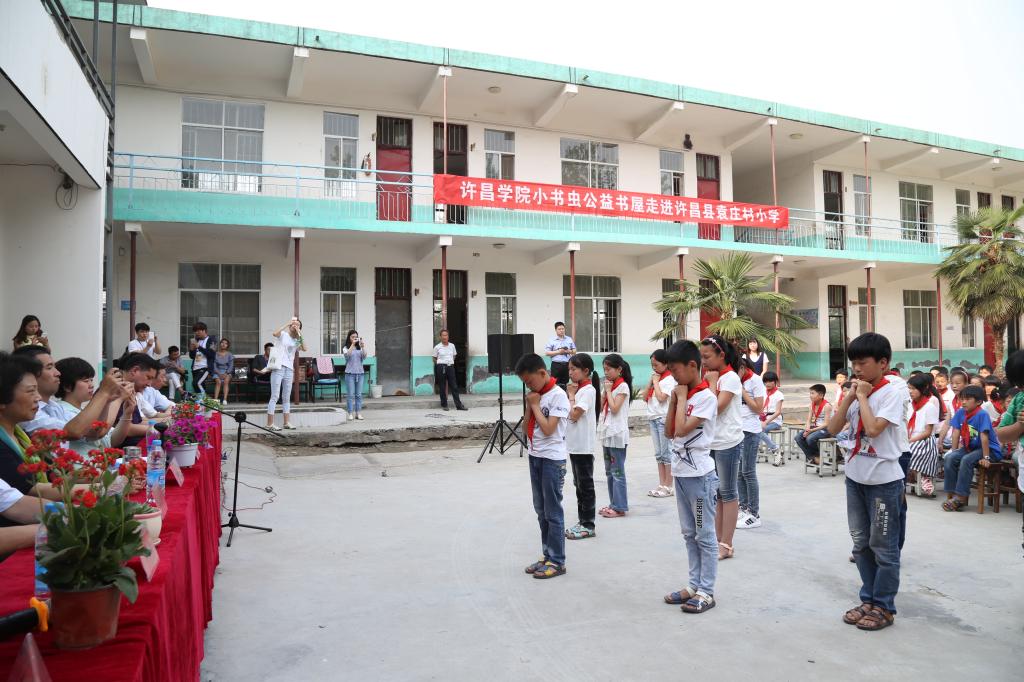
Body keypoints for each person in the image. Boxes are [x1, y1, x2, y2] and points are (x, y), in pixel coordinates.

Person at [826, 332, 905, 632]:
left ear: (883, 363)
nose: (856, 369)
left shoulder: (891, 393)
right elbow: (833, 428)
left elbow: (873, 430)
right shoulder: (857, 392)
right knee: (860, 544)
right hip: (855, 478)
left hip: (883, 482)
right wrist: (850, 396)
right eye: (853, 364)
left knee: (883, 547)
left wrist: (861, 397)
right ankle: (868, 600)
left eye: (863, 363)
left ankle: (884, 606)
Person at [662, 339, 719, 614]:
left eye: (675, 370)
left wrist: (682, 398)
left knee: (704, 534)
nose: (673, 376)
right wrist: (674, 401)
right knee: (689, 534)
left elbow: (682, 430)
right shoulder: (683, 395)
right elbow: (669, 432)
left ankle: (706, 590)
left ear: (692, 366)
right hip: (682, 476)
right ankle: (693, 585)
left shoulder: (706, 398)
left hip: (700, 478)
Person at [516, 352, 569, 580]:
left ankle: (557, 561)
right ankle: (547, 554)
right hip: (535, 456)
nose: (528, 386)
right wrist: (530, 405)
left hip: (552, 460)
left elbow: (548, 429)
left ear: (542, 373)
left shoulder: (558, 396)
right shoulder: (536, 396)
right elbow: (525, 428)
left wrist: (535, 405)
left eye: (530, 381)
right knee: (540, 509)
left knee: (552, 511)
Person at [12, 345, 124, 440]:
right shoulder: (26, 412)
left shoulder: (55, 407)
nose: (58, 373)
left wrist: (106, 399)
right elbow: (73, 431)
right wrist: (103, 393)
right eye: (49, 368)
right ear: (29, 375)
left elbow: (93, 432)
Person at [700, 334, 743, 560]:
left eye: (707, 356)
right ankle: (718, 540)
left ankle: (727, 544)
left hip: (728, 441)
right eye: (702, 357)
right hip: (713, 441)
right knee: (716, 493)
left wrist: (710, 383)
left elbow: (714, 408)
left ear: (721, 355)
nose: (703, 361)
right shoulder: (713, 377)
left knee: (728, 492)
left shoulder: (730, 378)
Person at [54, 357, 134, 454]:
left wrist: (127, 414)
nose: (91, 385)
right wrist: (115, 398)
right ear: (67, 386)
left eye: (91, 380)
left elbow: (112, 440)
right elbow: (99, 432)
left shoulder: (84, 410)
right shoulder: (61, 410)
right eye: (86, 381)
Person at [942, 385, 1002, 511]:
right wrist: (954, 451)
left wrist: (986, 457)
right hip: (971, 448)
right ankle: (953, 493)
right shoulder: (960, 412)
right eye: (962, 399)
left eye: (968, 399)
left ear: (978, 401)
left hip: (989, 449)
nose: (963, 402)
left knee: (966, 460)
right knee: (950, 458)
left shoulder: (982, 414)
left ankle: (961, 498)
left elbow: (984, 437)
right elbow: (955, 433)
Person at [565, 353, 599, 541]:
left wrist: (570, 396)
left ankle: (588, 524)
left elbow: (575, 414)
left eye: (574, 369)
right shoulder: (580, 390)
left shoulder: (588, 390)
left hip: (583, 446)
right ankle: (582, 520)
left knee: (585, 486)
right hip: (575, 445)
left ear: (586, 371)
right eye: (569, 369)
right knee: (579, 485)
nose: (570, 372)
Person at [598, 353, 632, 518]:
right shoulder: (610, 386)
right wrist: (605, 392)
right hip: (608, 432)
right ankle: (613, 503)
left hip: (617, 433)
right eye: (604, 369)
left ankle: (620, 507)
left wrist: (608, 391)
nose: (606, 372)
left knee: (617, 472)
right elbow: (601, 407)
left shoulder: (622, 386)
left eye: (609, 369)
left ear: (619, 369)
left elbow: (615, 408)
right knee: (609, 471)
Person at [737, 357, 767, 530]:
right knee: (739, 473)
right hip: (737, 431)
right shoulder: (734, 380)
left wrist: (742, 392)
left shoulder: (755, 380)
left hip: (750, 431)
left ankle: (754, 513)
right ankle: (743, 507)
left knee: (748, 472)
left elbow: (758, 408)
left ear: (742, 367)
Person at [645, 349, 676, 498]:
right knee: (659, 454)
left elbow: (662, 398)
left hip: (663, 418)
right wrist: (651, 382)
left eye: (656, 365)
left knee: (666, 453)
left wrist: (656, 382)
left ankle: (668, 485)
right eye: (652, 365)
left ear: (665, 364)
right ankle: (661, 483)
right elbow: (645, 396)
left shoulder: (669, 379)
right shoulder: (657, 378)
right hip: (653, 417)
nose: (654, 368)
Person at [267, 318, 306, 431]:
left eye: (298, 325)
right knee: (275, 396)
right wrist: (288, 323)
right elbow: (275, 333)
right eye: (294, 324)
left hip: (289, 369)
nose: (295, 325)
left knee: (286, 396)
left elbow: (304, 348)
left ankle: (286, 422)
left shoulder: (296, 340)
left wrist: (300, 333)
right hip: (278, 367)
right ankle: (270, 424)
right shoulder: (283, 334)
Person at [906, 373, 941, 497]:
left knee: (909, 451)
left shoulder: (929, 406)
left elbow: (927, 432)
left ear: (922, 389)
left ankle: (921, 476)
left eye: (913, 388)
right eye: (909, 388)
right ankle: (912, 476)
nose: (910, 391)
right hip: (910, 437)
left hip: (925, 440)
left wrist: (910, 440)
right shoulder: (909, 405)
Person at [117, 353, 161, 447]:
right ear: (135, 370)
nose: (149, 384)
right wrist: (161, 430)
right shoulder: (116, 390)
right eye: (148, 377)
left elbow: (138, 422)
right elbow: (128, 429)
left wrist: (166, 423)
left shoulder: (130, 390)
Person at [432, 329, 466, 412]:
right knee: (442, 386)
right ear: (440, 337)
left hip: (450, 367)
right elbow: (434, 358)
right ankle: (444, 405)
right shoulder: (437, 347)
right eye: (443, 335)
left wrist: (449, 362)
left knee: (454, 386)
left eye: (446, 335)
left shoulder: (452, 346)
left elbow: (454, 356)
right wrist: (440, 364)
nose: (444, 337)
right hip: (441, 367)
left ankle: (459, 405)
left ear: (448, 336)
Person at [343, 330, 369, 421]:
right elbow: (347, 356)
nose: (354, 338)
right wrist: (352, 345)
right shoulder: (346, 347)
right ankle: (350, 413)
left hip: (360, 373)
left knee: (358, 395)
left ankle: (358, 413)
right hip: (350, 374)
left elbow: (364, 356)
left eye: (356, 337)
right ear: (349, 338)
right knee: (350, 395)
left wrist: (363, 347)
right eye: (352, 337)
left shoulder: (359, 347)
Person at [760, 371, 785, 466]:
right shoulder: (763, 392)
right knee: (752, 428)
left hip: (775, 421)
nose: (768, 384)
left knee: (759, 430)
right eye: (766, 382)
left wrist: (766, 422)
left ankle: (775, 449)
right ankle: (773, 449)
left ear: (775, 382)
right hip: (763, 418)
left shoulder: (779, 394)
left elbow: (778, 412)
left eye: (770, 381)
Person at [543, 322, 576, 388]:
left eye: (563, 329)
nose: (561, 330)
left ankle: (564, 393)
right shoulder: (551, 340)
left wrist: (568, 351)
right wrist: (559, 352)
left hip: (567, 364)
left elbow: (574, 351)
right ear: (556, 330)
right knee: (555, 383)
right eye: (559, 329)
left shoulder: (569, 339)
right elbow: (547, 353)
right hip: (556, 365)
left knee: (565, 382)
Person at [188, 322, 217, 396]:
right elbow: (192, 356)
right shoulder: (196, 340)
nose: (196, 333)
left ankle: (204, 399)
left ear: (204, 330)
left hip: (205, 367)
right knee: (200, 385)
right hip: (195, 367)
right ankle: (202, 401)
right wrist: (191, 350)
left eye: (198, 331)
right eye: (195, 331)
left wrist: (199, 347)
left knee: (196, 383)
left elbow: (212, 354)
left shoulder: (212, 340)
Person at [212, 338, 235, 405]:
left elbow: (231, 366)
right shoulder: (215, 354)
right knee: (218, 382)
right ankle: (215, 400)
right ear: (220, 344)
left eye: (225, 343)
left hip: (227, 372)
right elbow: (214, 365)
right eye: (222, 343)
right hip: (217, 372)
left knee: (226, 381)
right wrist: (218, 373)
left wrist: (226, 373)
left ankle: (225, 399)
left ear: (227, 346)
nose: (223, 344)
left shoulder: (230, 354)